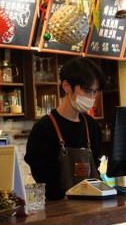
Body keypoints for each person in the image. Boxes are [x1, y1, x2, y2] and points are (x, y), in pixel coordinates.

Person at [25, 57, 107, 200]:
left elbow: (96, 168)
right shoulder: (44, 128)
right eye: (87, 91)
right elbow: (43, 178)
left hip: (92, 204)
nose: (91, 97)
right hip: (58, 207)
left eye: (95, 92)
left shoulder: (92, 126)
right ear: (67, 86)